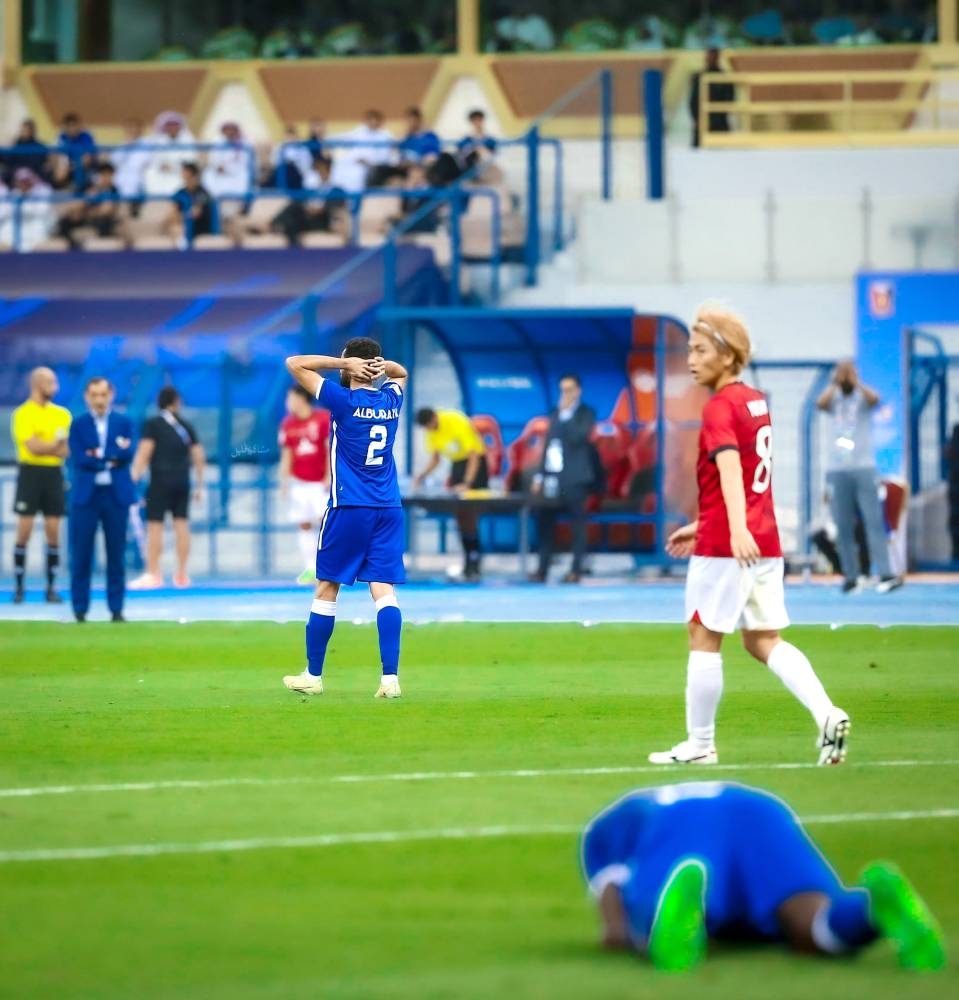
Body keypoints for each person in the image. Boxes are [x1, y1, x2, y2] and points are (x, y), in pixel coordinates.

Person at [650, 305, 849, 766]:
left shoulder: (719, 407)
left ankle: (700, 746)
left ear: (726, 353)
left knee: (703, 636)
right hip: (764, 539)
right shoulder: (754, 401)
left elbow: (730, 468)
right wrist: (709, 522)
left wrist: (730, 528)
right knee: (762, 641)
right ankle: (826, 714)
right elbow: (752, 475)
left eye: (700, 350)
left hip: (730, 544)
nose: (692, 360)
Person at [581, 781, 945, 972]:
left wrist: (623, 932)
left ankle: (682, 925)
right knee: (809, 918)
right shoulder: (720, 796)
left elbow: (612, 919)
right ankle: (868, 909)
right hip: (759, 810)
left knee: (653, 915)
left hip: (680, 826)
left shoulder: (611, 824)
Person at [282, 339, 409, 699]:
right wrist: (378, 366)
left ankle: (313, 675)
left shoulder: (342, 401)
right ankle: (390, 679)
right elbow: (401, 373)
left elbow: (295, 363)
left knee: (326, 587)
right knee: (383, 591)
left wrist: (345, 366)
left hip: (349, 506)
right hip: (388, 508)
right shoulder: (391, 400)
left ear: (350, 363)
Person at [817, 360, 902, 594]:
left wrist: (856, 382)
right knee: (842, 524)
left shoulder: (862, 397)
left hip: (863, 467)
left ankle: (885, 573)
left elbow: (875, 399)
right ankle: (851, 576)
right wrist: (836, 383)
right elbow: (820, 403)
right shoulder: (833, 398)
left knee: (874, 521)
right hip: (837, 469)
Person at [68, 377, 136, 623]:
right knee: (82, 553)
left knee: (116, 554)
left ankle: (116, 609)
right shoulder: (78, 425)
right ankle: (79, 608)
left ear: (111, 395)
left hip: (115, 495)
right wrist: (109, 457)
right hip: (86, 496)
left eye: (103, 394)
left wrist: (98, 454)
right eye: (94, 395)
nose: (99, 400)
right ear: (87, 396)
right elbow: (79, 458)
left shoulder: (124, 423)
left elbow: (128, 454)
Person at [129, 386, 205, 590]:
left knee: (155, 528)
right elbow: (198, 456)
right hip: (182, 482)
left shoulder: (153, 424)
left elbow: (145, 452)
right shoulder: (186, 426)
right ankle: (181, 574)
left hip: (160, 482)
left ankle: (153, 573)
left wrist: (133, 477)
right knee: (182, 526)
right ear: (176, 401)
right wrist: (200, 485)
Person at [10, 367, 72, 604]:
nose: (54, 386)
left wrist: (48, 445)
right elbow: (31, 447)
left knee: (53, 530)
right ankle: (19, 587)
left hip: (53, 474)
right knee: (24, 529)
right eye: (50, 382)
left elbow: (65, 449)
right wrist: (52, 445)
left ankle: (51, 588)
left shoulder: (62, 414)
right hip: (30, 474)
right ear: (37, 384)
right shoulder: (23, 414)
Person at [529, 374, 597, 584]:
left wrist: (567, 414)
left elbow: (578, 437)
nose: (565, 395)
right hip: (552, 478)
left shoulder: (585, 414)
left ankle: (575, 569)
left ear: (578, 391)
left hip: (575, 478)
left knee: (577, 525)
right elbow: (549, 445)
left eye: (569, 390)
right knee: (545, 523)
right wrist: (539, 474)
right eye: (562, 390)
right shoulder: (554, 414)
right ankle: (542, 569)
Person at [413, 406, 489, 581]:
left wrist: (468, 484)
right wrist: (421, 476)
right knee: (460, 517)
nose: (429, 430)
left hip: (476, 466)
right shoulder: (430, 431)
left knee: (471, 516)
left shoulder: (455, 420)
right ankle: (467, 562)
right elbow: (436, 458)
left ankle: (475, 561)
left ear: (434, 418)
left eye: (429, 426)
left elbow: (474, 454)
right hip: (458, 466)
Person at [278, 384, 331, 584]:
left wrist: (329, 475)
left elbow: (330, 448)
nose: (288, 403)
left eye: (290, 398)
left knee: (325, 523)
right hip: (299, 482)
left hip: (320, 483)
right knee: (304, 523)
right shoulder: (288, 424)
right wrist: (284, 481)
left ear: (301, 398)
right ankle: (310, 567)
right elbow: (287, 454)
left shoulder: (323, 419)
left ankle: (329, 567)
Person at [57, 162, 120, 248]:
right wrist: (91, 195)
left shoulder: (113, 190)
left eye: (108, 175)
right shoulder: (91, 188)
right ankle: (70, 247)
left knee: (104, 222)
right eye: (103, 175)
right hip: (86, 216)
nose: (106, 178)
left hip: (101, 220)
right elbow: (78, 205)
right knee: (67, 220)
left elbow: (106, 210)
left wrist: (90, 212)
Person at [142, 111, 197, 197]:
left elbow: (191, 159)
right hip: (162, 170)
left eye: (175, 125)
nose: (172, 128)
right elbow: (155, 158)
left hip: (180, 171)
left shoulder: (187, 139)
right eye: (169, 125)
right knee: (150, 173)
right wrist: (162, 165)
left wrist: (175, 166)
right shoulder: (160, 140)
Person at [689, 48, 734, 148]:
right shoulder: (698, 76)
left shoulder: (725, 77)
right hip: (702, 120)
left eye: (713, 56)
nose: (711, 59)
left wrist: (721, 114)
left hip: (720, 121)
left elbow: (730, 99)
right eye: (709, 56)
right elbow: (693, 99)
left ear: (718, 58)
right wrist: (696, 118)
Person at [201, 121, 252, 199]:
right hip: (219, 171)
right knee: (208, 175)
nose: (229, 132)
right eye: (227, 130)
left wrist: (228, 168)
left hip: (237, 172)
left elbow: (244, 162)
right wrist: (218, 166)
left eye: (232, 130)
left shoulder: (244, 143)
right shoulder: (217, 141)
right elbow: (213, 158)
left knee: (243, 178)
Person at [166, 162, 214, 244]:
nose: (181, 173)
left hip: (200, 228)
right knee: (175, 229)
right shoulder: (180, 192)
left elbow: (195, 213)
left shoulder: (203, 192)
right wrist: (178, 217)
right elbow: (173, 213)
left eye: (184, 171)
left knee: (181, 230)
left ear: (191, 174)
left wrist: (181, 216)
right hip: (183, 226)